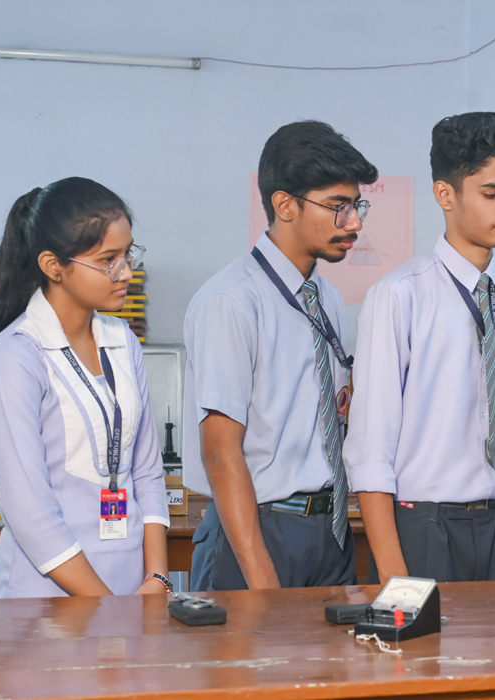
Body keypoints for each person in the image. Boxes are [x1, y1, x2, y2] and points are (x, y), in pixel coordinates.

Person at [0, 177, 170, 598]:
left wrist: (157, 579)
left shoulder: (122, 341)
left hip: (133, 595)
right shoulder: (14, 358)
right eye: (108, 260)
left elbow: (147, 472)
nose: (126, 271)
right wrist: (110, 610)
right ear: (53, 266)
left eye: (128, 254)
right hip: (46, 602)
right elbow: (30, 512)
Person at [184, 121, 377, 590]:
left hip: (329, 528)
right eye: (338, 206)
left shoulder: (327, 298)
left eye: (356, 206)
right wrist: (263, 581)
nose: (354, 223)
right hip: (258, 530)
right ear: (285, 205)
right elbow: (220, 451)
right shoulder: (232, 300)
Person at [346, 112, 495, 584]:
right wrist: (393, 572)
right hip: (422, 525)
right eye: (492, 193)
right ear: (445, 195)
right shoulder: (399, 295)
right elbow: (370, 447)